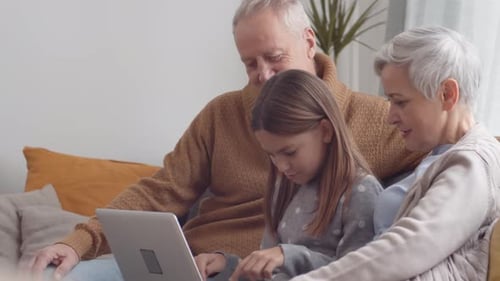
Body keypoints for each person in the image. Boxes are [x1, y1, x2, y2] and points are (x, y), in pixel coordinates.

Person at [28, 0, 424, 280]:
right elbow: (161, 191)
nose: (263, 75)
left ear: (309, 41)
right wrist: (80, 240)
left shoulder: (376, 119)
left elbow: (458, 144)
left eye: (274, 57)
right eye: (250, 63)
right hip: (187, 262)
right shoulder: (222, 113)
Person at [288, 25, 500, 281]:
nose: (390, 117)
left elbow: (409, 246)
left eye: (400, 101)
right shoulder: (440, 156)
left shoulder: (474, 163)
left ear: (447, 94)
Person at [194, 69, 383, 281]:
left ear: (326, 131)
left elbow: (357, 273)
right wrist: (228, 265)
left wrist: (289, 255)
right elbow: (270, 272)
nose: (281, 166)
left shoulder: (360, 192)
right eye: (272, 155)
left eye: (289, 152)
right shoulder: (284, 187)